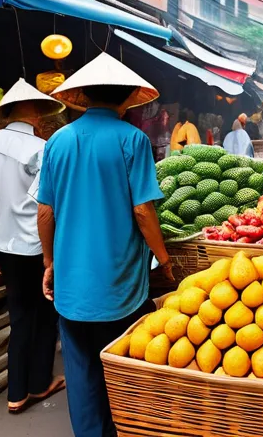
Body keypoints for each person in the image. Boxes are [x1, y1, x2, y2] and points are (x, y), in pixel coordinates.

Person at [38, 52, 174, 437]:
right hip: (121, 288)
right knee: (124, 370)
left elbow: (45, 213)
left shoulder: (57, 141)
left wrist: (49, 262)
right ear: (129, 97)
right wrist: (164, 260)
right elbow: (144, 212)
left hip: (72, 286)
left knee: (80, 373)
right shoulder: (133, 139)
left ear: (83, 95)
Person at [0, 78, 66, 414]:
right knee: (45, 316)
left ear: (8, 112)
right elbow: (47, 207)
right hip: (38, 248)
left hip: (6, 247)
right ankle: (38, 384)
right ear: (36, 114)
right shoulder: (42, 149)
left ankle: (16, 393)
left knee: (20, 316)